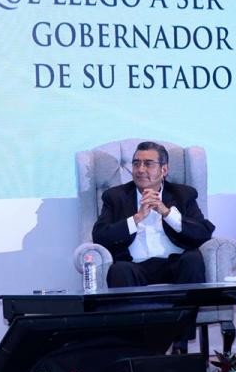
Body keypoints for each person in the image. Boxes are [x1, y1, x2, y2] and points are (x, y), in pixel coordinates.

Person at [91, 141, 215, 352]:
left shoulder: (183, 194)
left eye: (148, 164)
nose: (140, 170)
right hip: (135, 267)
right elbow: (100, 236)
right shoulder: (115, 197)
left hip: (174, 265)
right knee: (119, 270)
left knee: (193, 260)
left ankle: (180, 342)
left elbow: (203, 232)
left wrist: (167, 213)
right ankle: (133, 345)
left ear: (164, 169)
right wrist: (136, 218)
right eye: (136, 163)